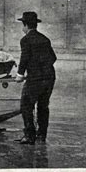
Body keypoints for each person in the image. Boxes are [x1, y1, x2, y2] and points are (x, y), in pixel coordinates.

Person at [15, 11, 57, 145]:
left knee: (26, 105)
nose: (23, 28)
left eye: (23, 25)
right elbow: (53, 58)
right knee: (43, 106)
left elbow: (25, 58)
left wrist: (20, 75)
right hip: (49, 77)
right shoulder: (45, 39)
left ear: (26, 25)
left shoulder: (25, 40)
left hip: (35, 79)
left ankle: (29, 135)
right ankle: (41, 136)